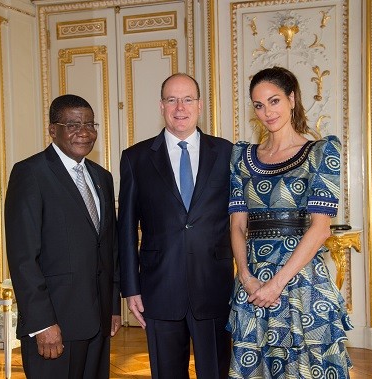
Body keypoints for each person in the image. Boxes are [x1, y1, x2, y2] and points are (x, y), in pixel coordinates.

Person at [227, 66, 353, 378]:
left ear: (292, 99)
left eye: (274, 101)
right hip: (254, 284)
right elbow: (237, 225)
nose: (267, 112)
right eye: (258, 105)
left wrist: (277, 283)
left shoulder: (322, 151)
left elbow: (321, 227)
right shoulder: (240, 157)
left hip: (301, 283)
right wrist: (245, 276)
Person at [118, 73, 234, 379]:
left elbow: (239, 219)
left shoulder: (226, 153)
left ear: (199, 105)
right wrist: (131, 288)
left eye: (187, 99)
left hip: (214, 286)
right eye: (171, 99)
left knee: (217, 373)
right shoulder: (136, 158)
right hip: (159, 289)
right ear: (161, 106)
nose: (179, 107)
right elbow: (126, 229)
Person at [5, 94, 121, 378]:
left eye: (90, 124)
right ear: (52, 129)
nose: (84, 132)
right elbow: (23, 259)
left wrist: (113, 307)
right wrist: (42, 323)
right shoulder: (29, 173)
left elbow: (109, 248)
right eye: (72, 125)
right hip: (55, 325)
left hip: (97, 321)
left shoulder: (101, 177)